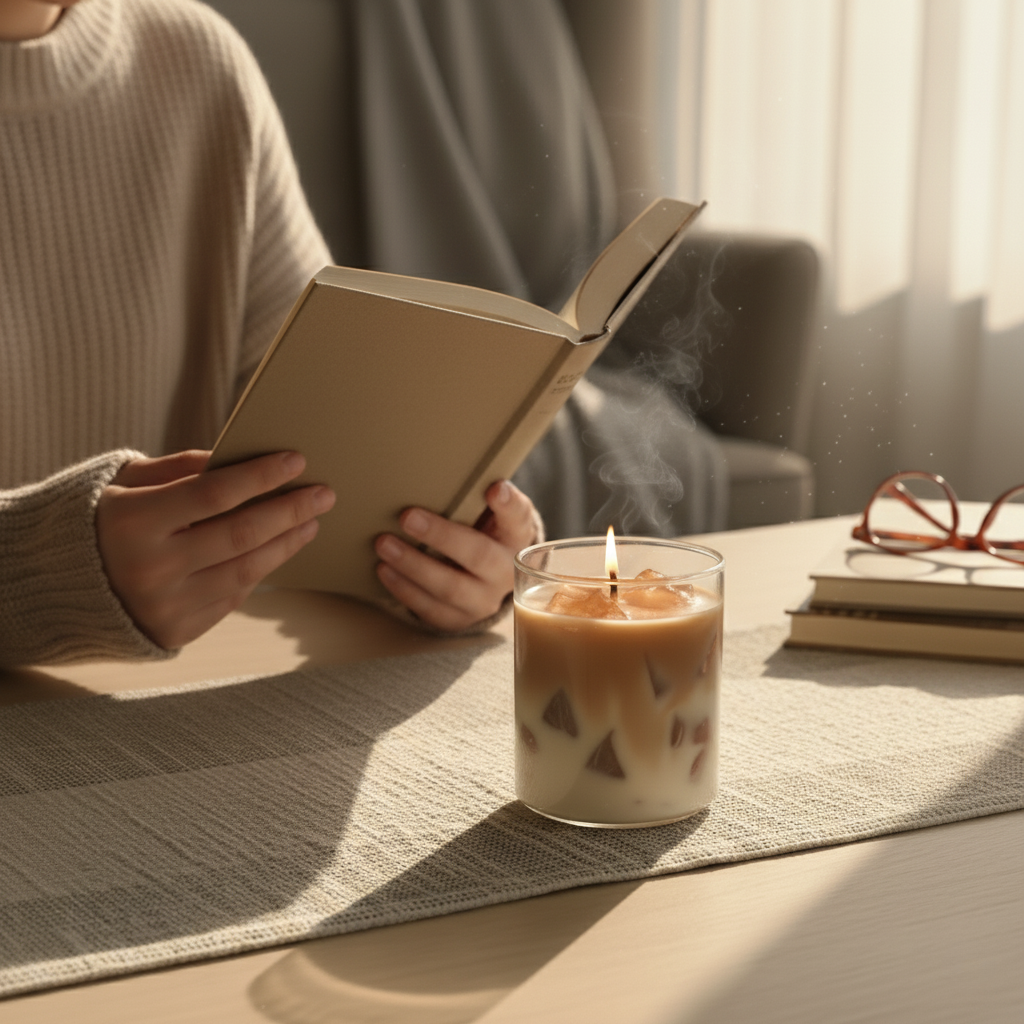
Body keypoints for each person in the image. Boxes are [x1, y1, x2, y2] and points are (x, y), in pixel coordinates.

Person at [0, 0, 541, 666]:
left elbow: (332, 455)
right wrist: (41, 571)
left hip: (183, 714)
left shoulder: (197, 66)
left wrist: (449, 559)